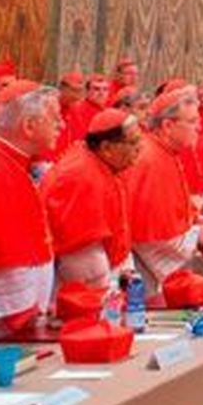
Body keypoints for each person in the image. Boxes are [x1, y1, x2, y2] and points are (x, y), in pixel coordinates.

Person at [0, 81, 59, 338]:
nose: (61, 126)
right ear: (29, 126)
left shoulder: (14, 164)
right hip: (1, 321)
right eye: (54, 118)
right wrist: (23, 308)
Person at [44, 109, 140, 289]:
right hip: (82, 286)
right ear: (106, 148)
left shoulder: (100, 163)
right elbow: (83, 261)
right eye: (133, 142)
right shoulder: (81, 177)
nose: (140, 148)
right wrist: (109, 290)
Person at [124, 88, 203, 294]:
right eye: (193, 121)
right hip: (143, 267)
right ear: (168, 125)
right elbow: (152, 236)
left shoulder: (167, 152)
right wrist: (198, 237)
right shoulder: (150, 159)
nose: (199, 127)